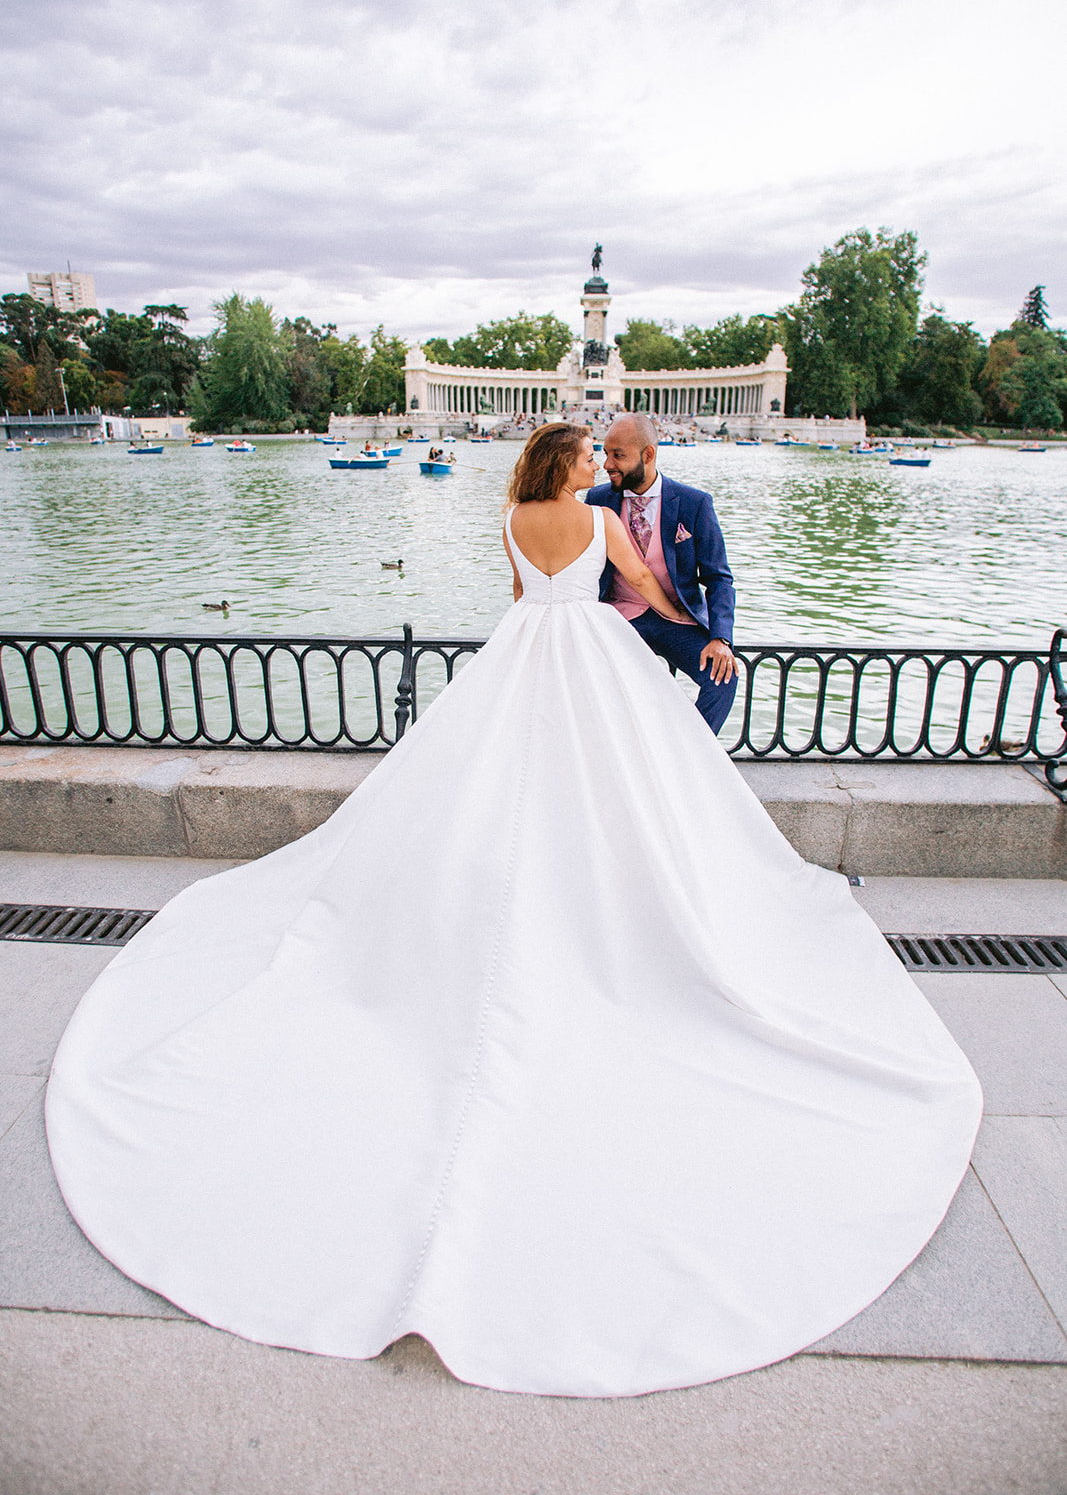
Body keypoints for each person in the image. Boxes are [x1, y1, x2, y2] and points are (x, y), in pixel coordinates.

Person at [45, 423, 981, 1400]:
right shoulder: (597, 518)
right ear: (568, 465)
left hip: (519, 653)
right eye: (584, 454)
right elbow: (649, 599)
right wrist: (697, 630)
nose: (592, 466)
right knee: (615, 802)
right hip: (592, 661)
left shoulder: (508, 517)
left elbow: (519, 596)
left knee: (489, 797)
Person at [585, 413, 738, 733]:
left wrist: (720, 637)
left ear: (648, 454)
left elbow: (718, 577)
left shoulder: (694, 503)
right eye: (604, 453)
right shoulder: (597, 499)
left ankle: (690, 756)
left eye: (618, 455)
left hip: (677, 621)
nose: (607, 464)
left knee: (723, 679)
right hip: (619, 617)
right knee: (595, 683)